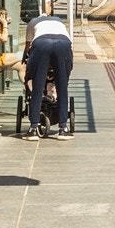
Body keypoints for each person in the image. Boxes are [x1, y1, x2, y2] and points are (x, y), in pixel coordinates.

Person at [23, 10, 74, 141]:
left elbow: (28, 45)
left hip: (41, 43)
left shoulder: (33, 22)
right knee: (62, 87)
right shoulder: (58, 21)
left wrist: (25, 58)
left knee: (37, 86)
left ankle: (33, 128)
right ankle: (63, 128)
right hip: (63, 44)